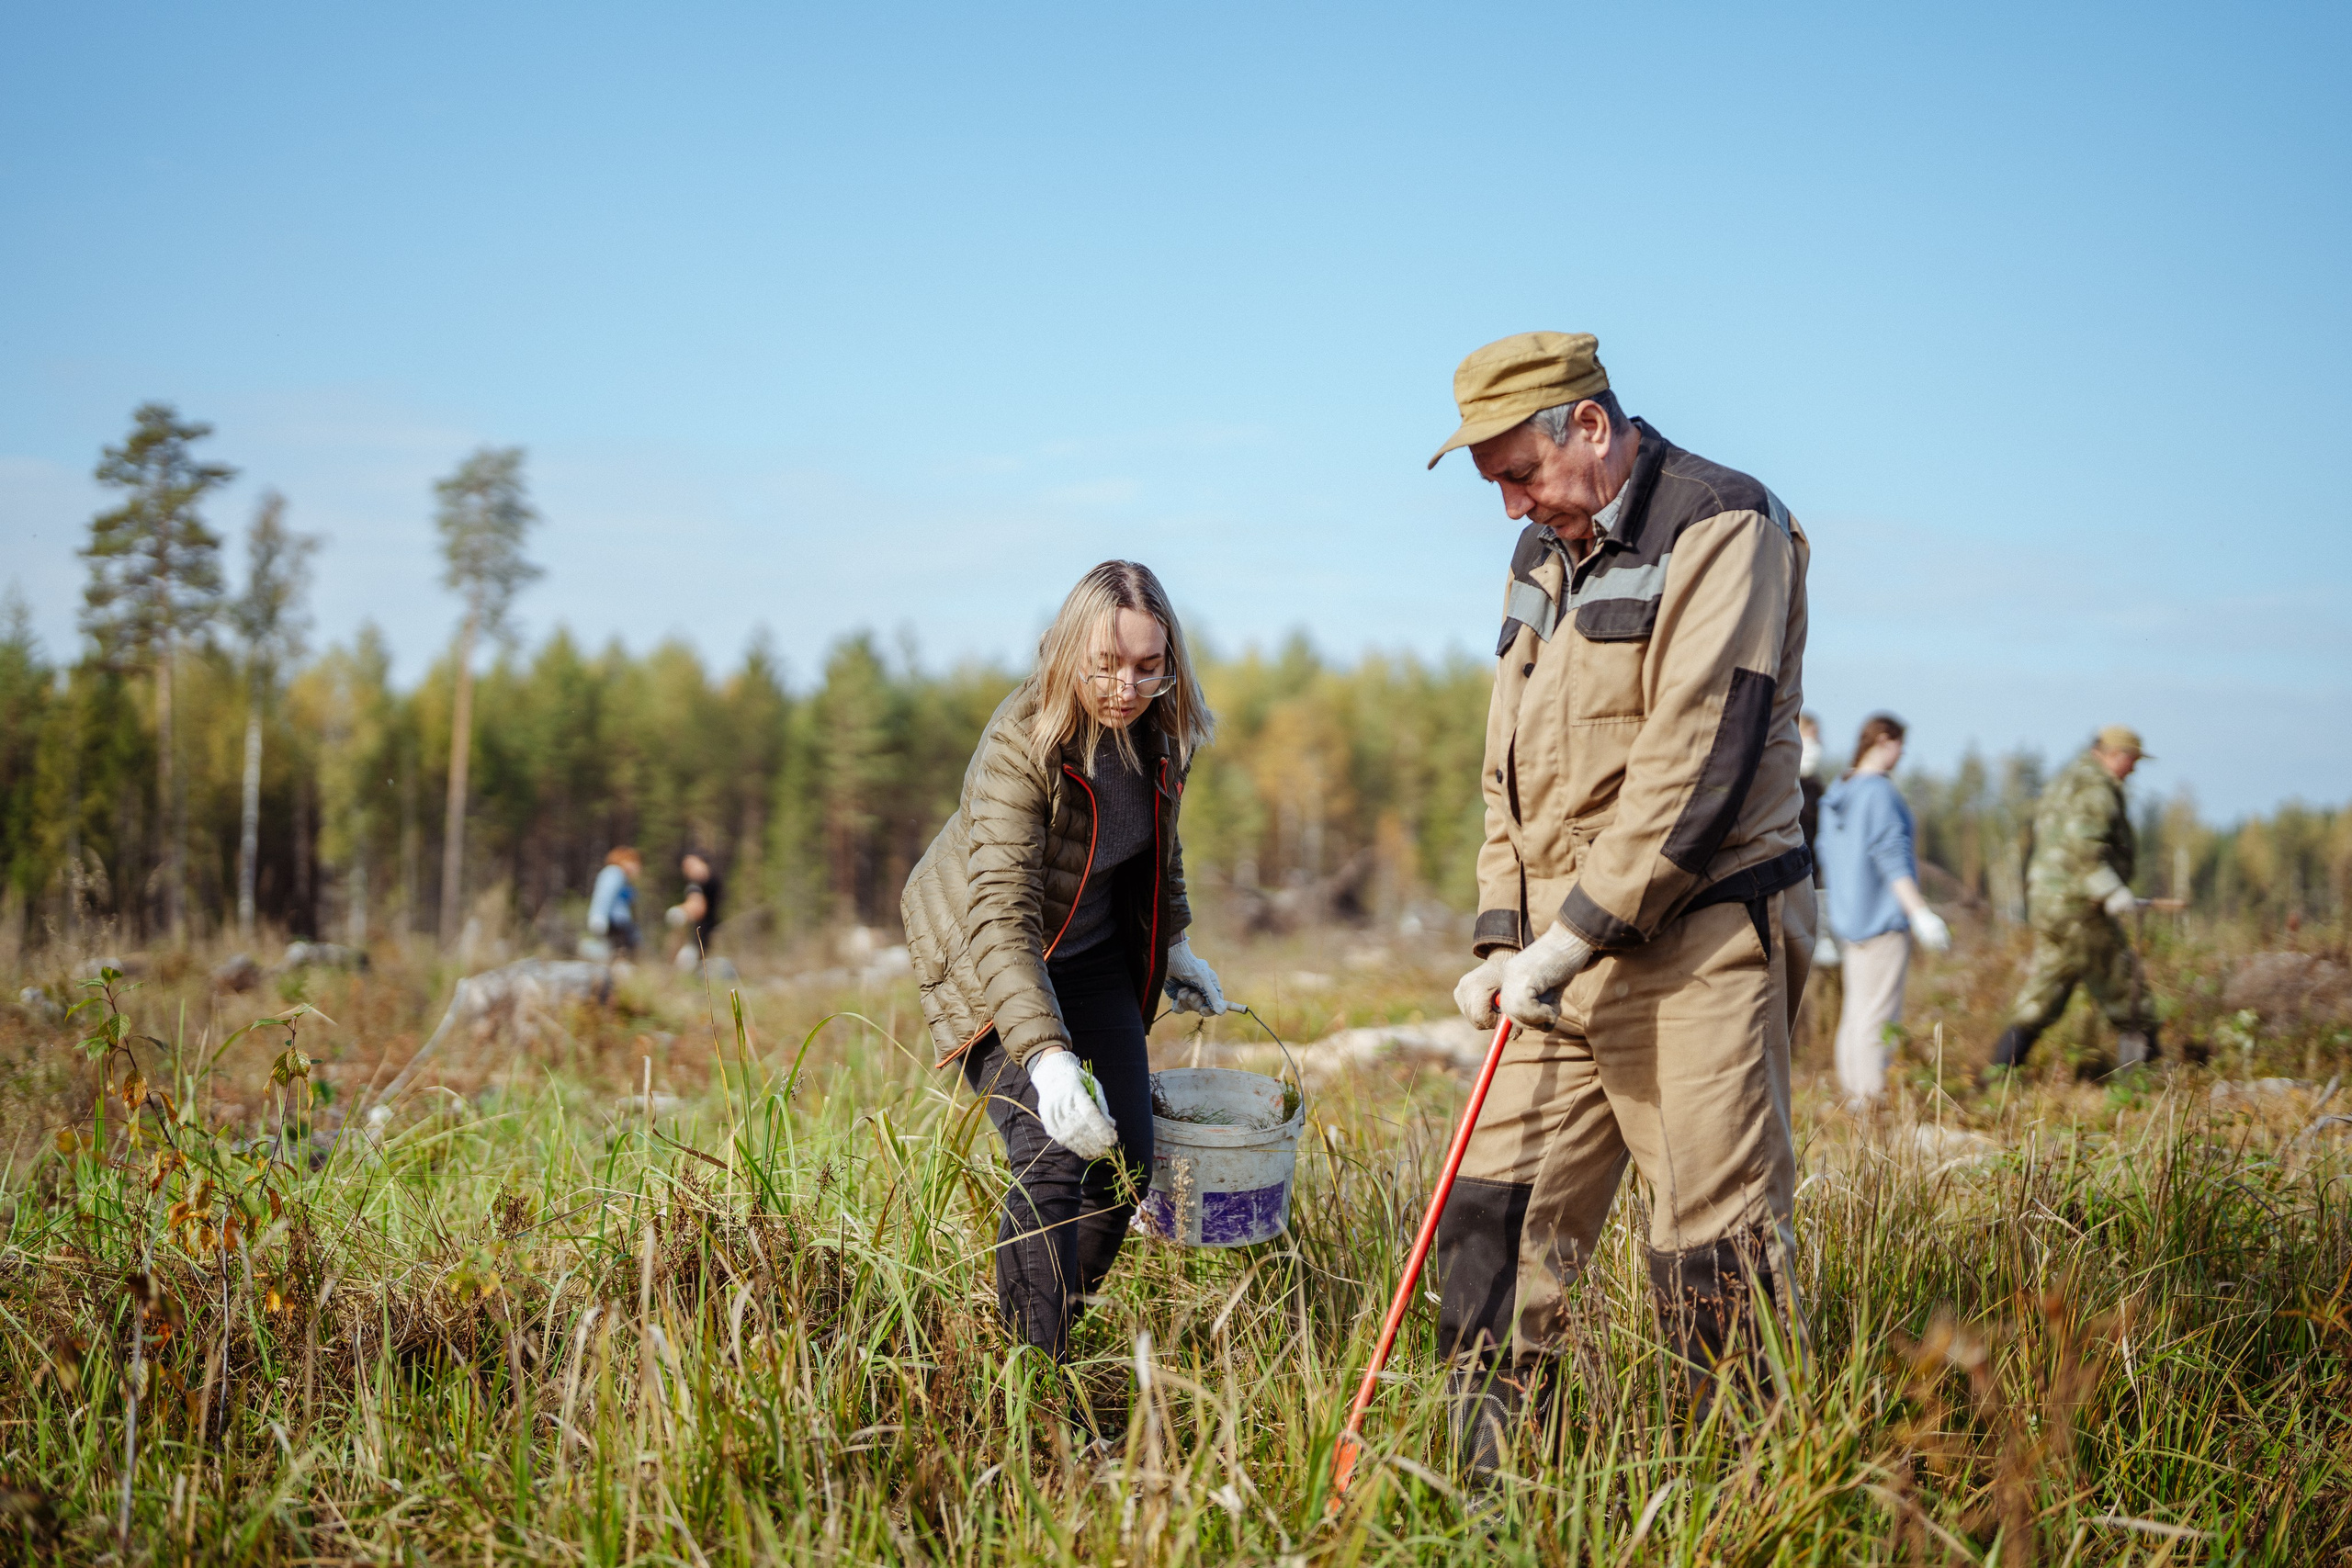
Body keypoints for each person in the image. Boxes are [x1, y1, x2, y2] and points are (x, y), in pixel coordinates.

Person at [1430, 332, 1815, 1472]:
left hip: (1696, 949)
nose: (1508, 504)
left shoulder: (1723, 525)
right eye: (1494, 481)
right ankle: (1479, 1500)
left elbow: (1698, 761)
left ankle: (1737, 1501)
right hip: (1554, 960)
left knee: (1715, 1249)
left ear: (1588, 427)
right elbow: (1507, 765)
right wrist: (1505, 937)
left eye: (1518, 472)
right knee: (1489, 1228)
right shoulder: (1541, 557)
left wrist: (1571, 939)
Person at [900, 559, 1227, 1383]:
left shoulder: (1160, 731)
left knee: (1124, 1165)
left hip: (1088, 961)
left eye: (1149, 665)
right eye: (1108, 664)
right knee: (1054, 1155)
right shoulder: (1021, 746)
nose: (1127, 685)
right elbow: (1002, 916)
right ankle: (1026, 1389)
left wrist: (1176, 941)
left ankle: (1032, 1335)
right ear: (1067, 650)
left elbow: (1161, 844)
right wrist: (1046, 1060)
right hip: (988, 958)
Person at [1987, 725, 2156, 1074]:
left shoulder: (2067, 780)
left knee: (2045, 991)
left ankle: (1997, 1073)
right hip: (2080, 907)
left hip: (2049, 903)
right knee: (2128, 991)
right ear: (2117, 755)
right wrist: (2110, 889)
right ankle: (2143, 1084)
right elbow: (2085, 846)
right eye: (2133, 760)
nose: (2135, 769)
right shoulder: (2095, 789)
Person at [1815, 715, 1951, 1107]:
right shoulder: (1880, 794)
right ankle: (1870, 1104)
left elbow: (1828, 858)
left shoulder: (1837, 794)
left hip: (1848, 920)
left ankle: (1853, 1096)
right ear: (1883, 741)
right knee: (1877, 1015)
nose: (1901, 755)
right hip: (1881, 920)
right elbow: (1891, 856)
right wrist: (1920, 913)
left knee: (1856, 1014)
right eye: (1899, 745)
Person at [1798, 712, 1839, 972]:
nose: (1817, 744)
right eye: (1810, 736)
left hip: (1814, 882)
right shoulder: (1776, 780)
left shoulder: (1817, 786)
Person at [666, 850, 723, 970]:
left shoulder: (700, 883)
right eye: (685, 867)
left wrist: (681, 911)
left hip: (709, 937)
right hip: (704, 937)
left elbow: (697, 906)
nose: (688, 870)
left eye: (691, 865)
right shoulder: (699, 884)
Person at [583, 846, 641, 960]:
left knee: (618, 951)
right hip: (615, 921)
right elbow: (604, 894)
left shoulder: (621, 877)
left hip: (618, 921)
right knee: (621, 951)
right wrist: (598, 915)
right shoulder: (614, 873)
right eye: (633, 862)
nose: (637, 867)